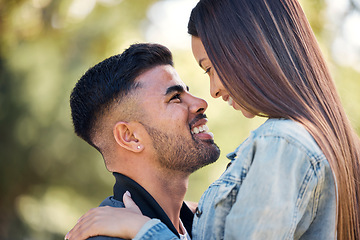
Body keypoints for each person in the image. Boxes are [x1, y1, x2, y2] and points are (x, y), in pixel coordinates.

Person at [66, 0, 360, 239]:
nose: (206, 98)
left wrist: (146, 230)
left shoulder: (283, 143)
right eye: (175, 98)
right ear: (130, 136)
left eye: (210, 68)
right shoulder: (107, 235)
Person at [67, 43, 220, 240]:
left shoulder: (205, 223)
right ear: (130, 136)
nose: (201, 103)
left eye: (187, 92)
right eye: (175, 98)